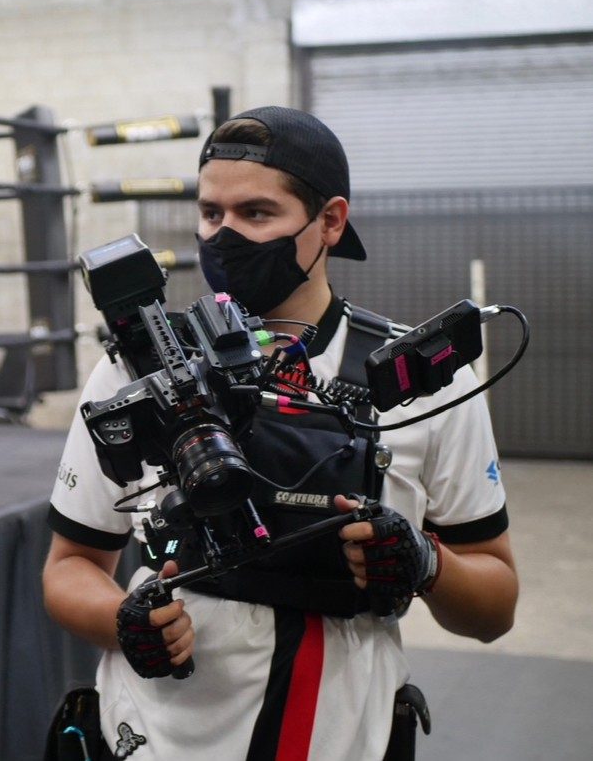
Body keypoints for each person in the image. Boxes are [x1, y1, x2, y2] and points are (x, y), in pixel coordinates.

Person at [42, 106, 517, 760]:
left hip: (342, 739)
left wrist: (425, 562)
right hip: (156, 739)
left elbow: (494, 607)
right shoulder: (137, 370)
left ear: (331, 221)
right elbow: (70, 566)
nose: (225, 236)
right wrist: (123, 623)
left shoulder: (423, 380)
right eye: (211, 213)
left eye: (256, 213)